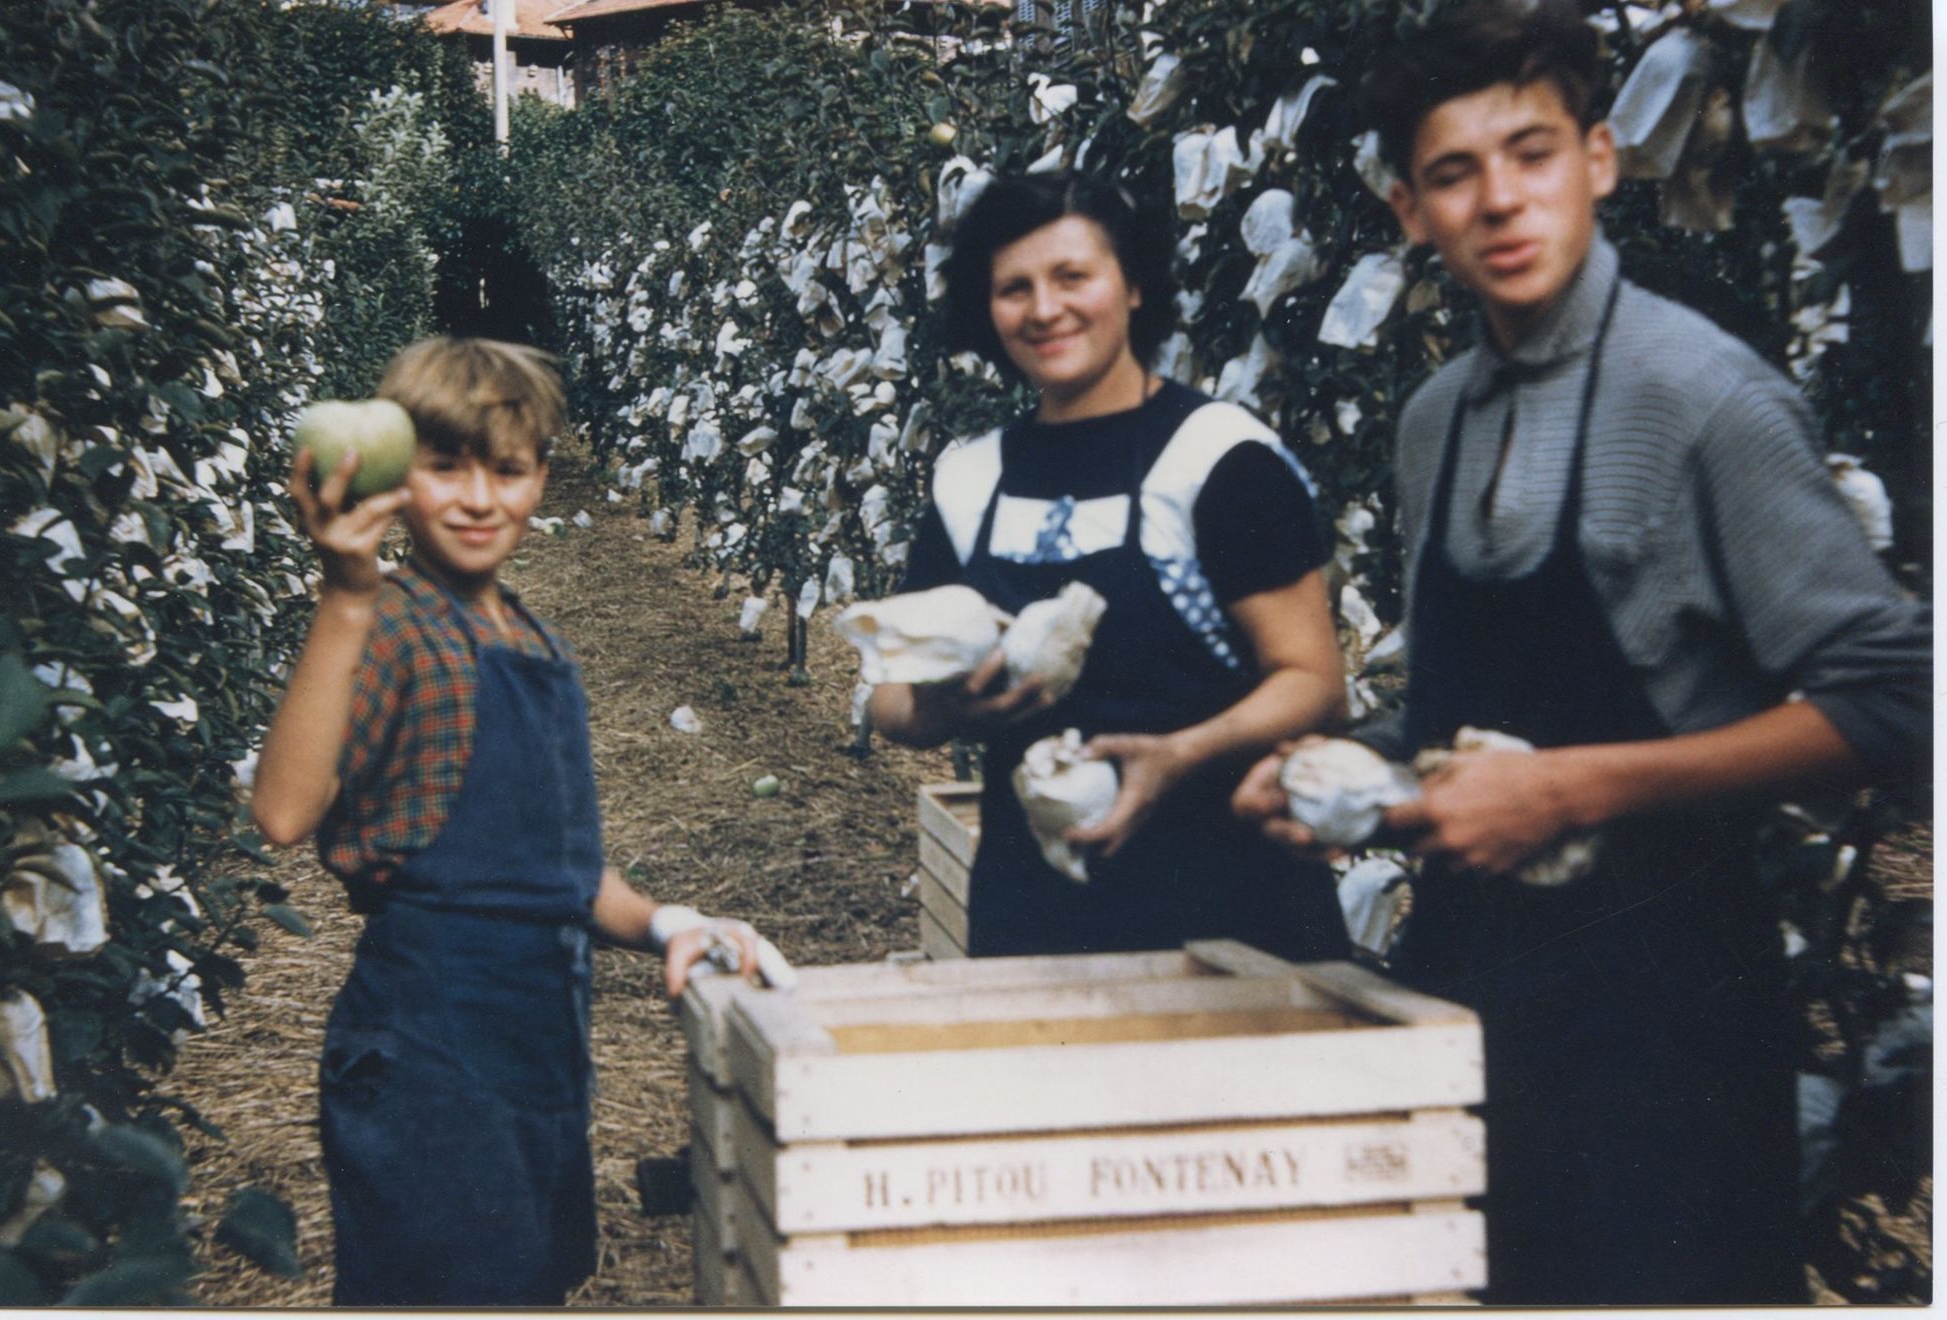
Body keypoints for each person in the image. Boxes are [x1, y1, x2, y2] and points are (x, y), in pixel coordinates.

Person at [1232, 1, 1931, 1305]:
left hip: (1667, 1025)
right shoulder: (1437, 419)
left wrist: (1573, 790)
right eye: (1454, 172)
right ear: (1409, 213)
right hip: (1467, 1003)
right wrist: (1340, 768)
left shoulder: (1703, 398)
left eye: (1532, 152)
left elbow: (1896, 702)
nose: (1500, 200)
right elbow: (1456, 707)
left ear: (1600, 159)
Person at [250, 338, 783, 1307]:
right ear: (392, 476)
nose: (476, 497)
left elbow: (565, 876)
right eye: (443, 466)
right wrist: (343, 590)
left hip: (537, 1046)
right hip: (426, 1060)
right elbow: (285, 811)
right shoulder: (391, 621)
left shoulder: (534, 640)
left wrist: (669, 923)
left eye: (506, 470)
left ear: (540, 476)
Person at [872, 172, 1351, 962]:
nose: (1045, 309)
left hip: (1228, 917)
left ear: (1132, 285)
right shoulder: (972, 479)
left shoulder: (1216, 460)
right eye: (1014, 288)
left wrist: (1179, 754)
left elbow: (1312, 680)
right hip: (1034, 911)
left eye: (1073, 277)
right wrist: (955, 707)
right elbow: (892, 695)